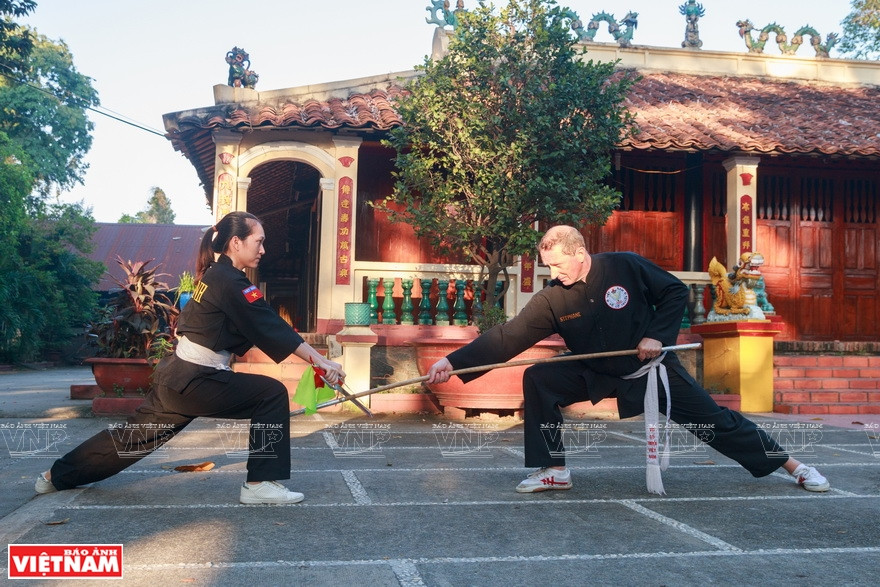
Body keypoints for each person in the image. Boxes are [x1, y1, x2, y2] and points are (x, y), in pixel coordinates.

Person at [427, 225, 829, 495]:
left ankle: (793, 466)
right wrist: (454, 361)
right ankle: (553, 469)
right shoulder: (554, 296)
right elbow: (507, 336)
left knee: (716, 423)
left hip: (651, 371)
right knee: (540, 378)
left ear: (581, 253)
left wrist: (657, 336)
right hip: (596, 371)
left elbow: (675, 292)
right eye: (549, 265)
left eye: (560, 264)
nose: (555, 272)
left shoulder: (625, 266)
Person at [35, 211, 343, 504]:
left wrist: (319, 361)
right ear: (236, 243)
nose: (263, 249)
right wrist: (321, 361)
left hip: (180, 376)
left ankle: (56, 476)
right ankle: (259, 485)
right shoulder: (230, 281)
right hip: (196, 379)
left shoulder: (217, 275)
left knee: (133, 439)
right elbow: (271, 325)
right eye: (258, 241)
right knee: (271, 395)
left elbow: (260, 325)